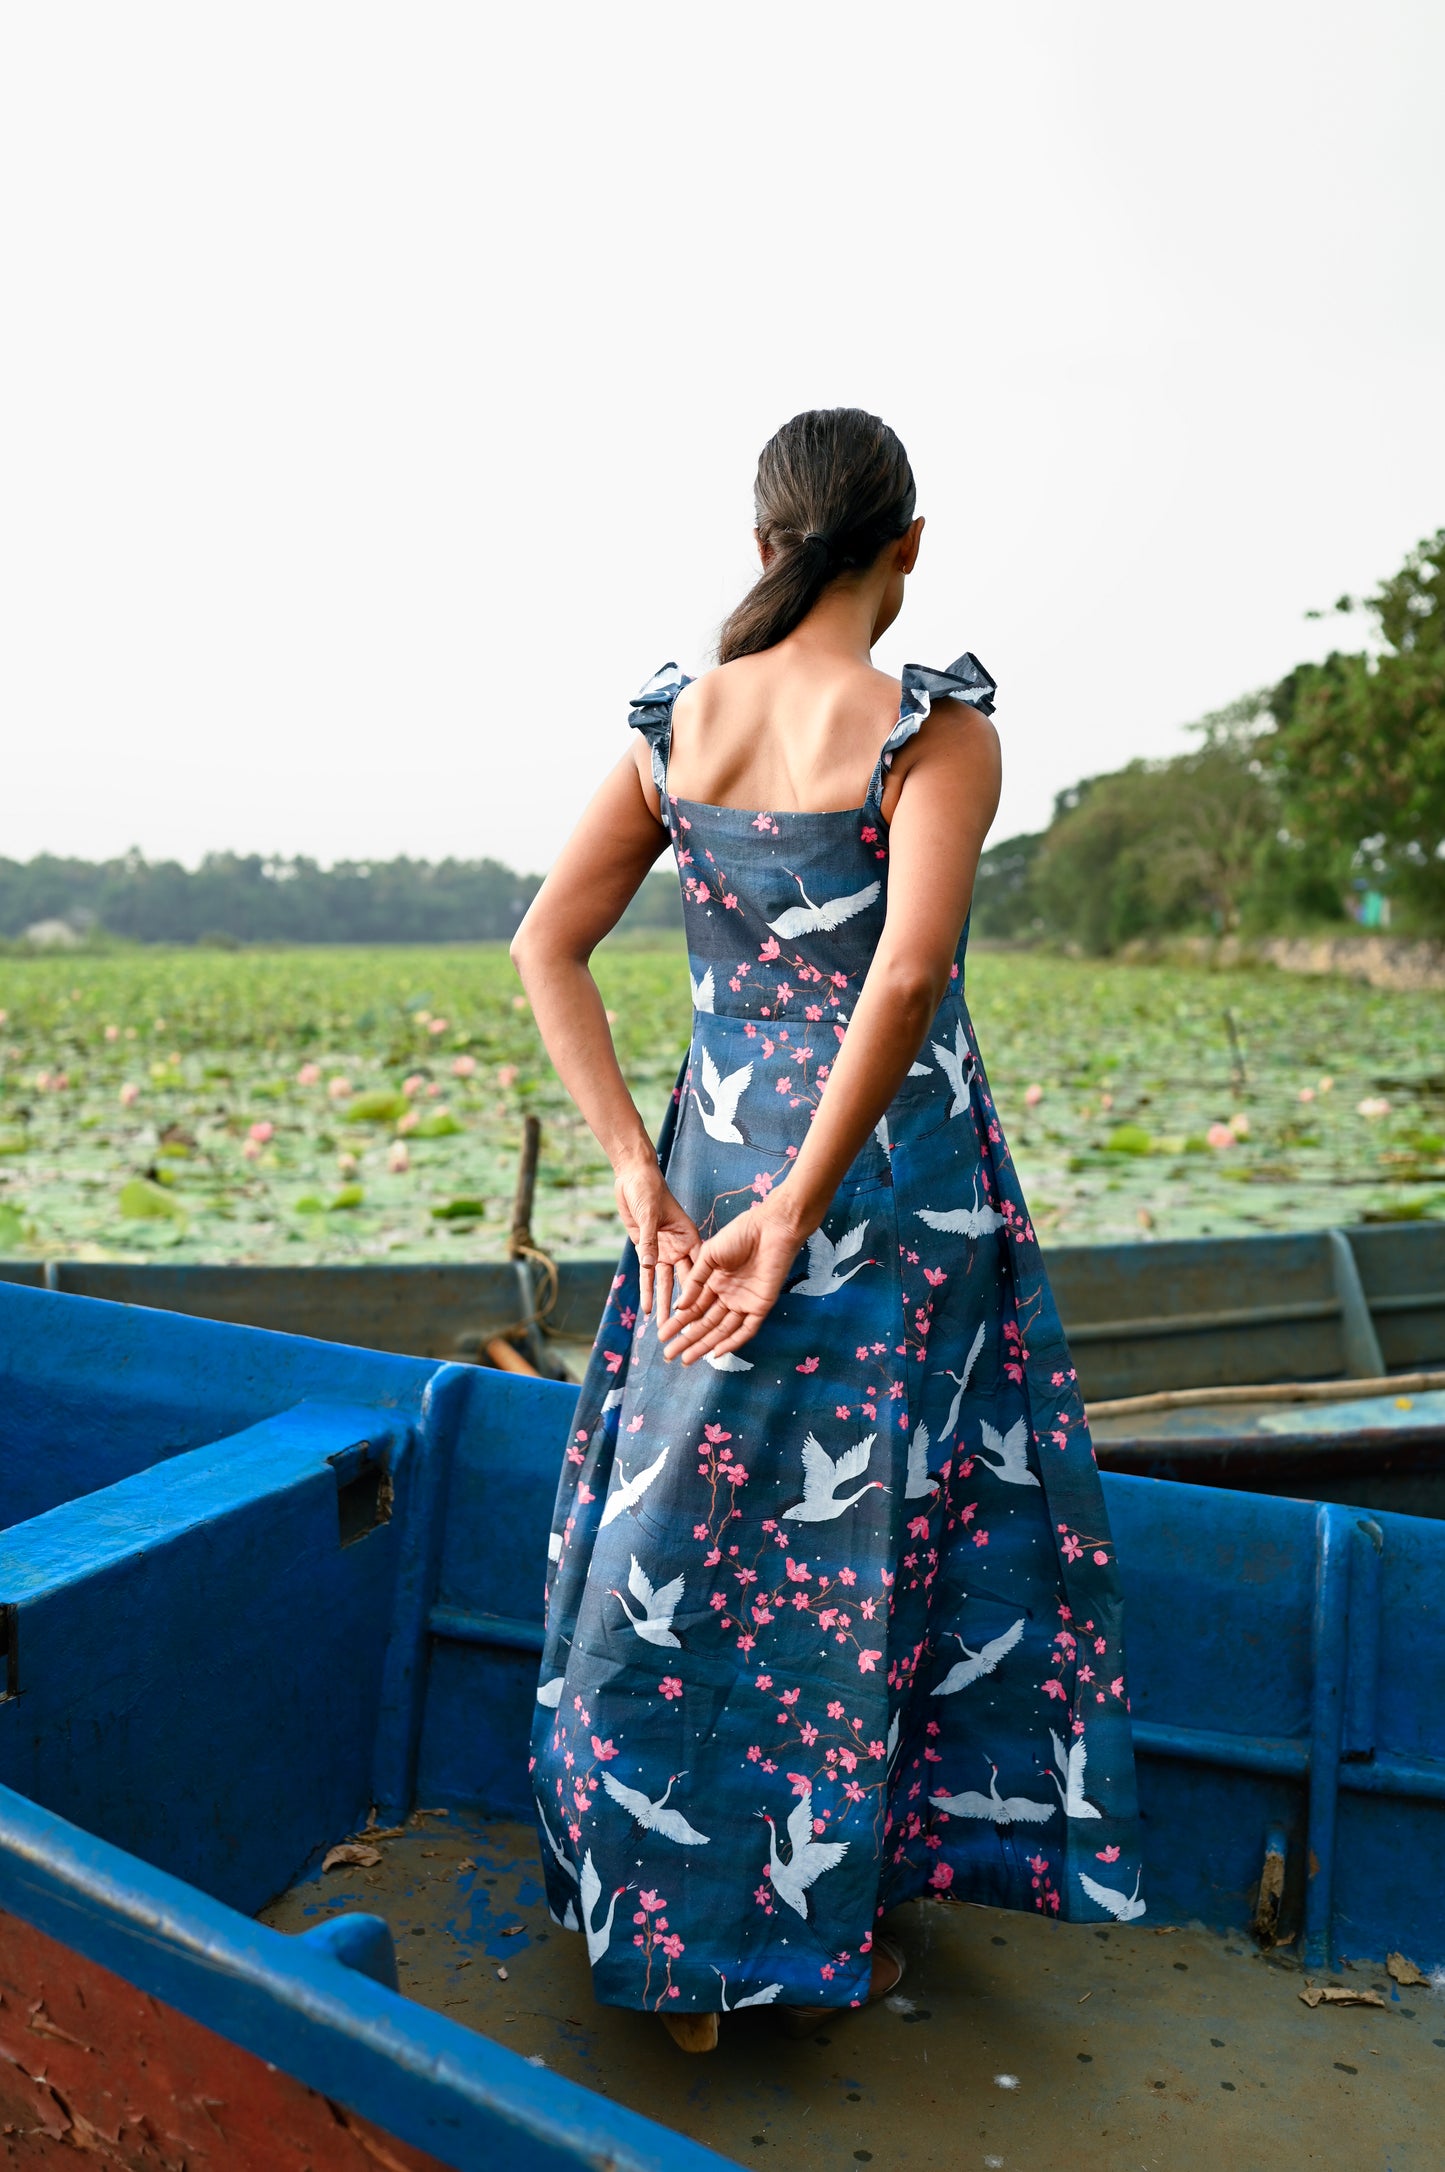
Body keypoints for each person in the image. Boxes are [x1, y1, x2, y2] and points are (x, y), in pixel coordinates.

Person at [510, 408, 1140, 2054]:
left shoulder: (678, 724)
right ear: (907, 547)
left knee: (680, 1527)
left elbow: (544, 948)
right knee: (880, 1544)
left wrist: (647, 1184)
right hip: (878, 1188)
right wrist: (797, 1207)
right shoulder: (934, 730)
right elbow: (906, 975)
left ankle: (670, 1920)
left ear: (762, 543)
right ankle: (804, 1919)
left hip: (713, 1177)